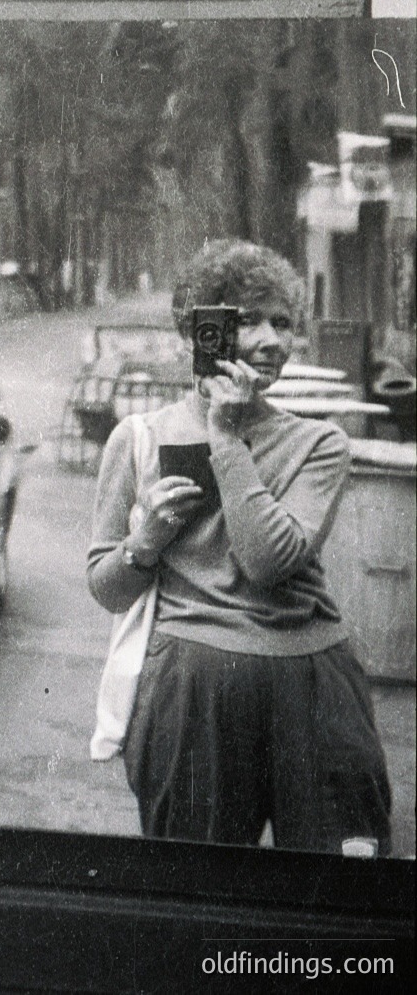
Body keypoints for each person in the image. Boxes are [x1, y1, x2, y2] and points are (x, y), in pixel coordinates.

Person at [87, 239, 392, 854]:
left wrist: (225, 438)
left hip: (314, 686)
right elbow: (105, 586)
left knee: (338, 889)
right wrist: (145, 542)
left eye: (282, 323)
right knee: (196, 883)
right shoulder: (140, 437)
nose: (270, 339)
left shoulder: (318, 442)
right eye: (246, 319)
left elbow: (270, 561)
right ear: (195, 330)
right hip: (193, 688)